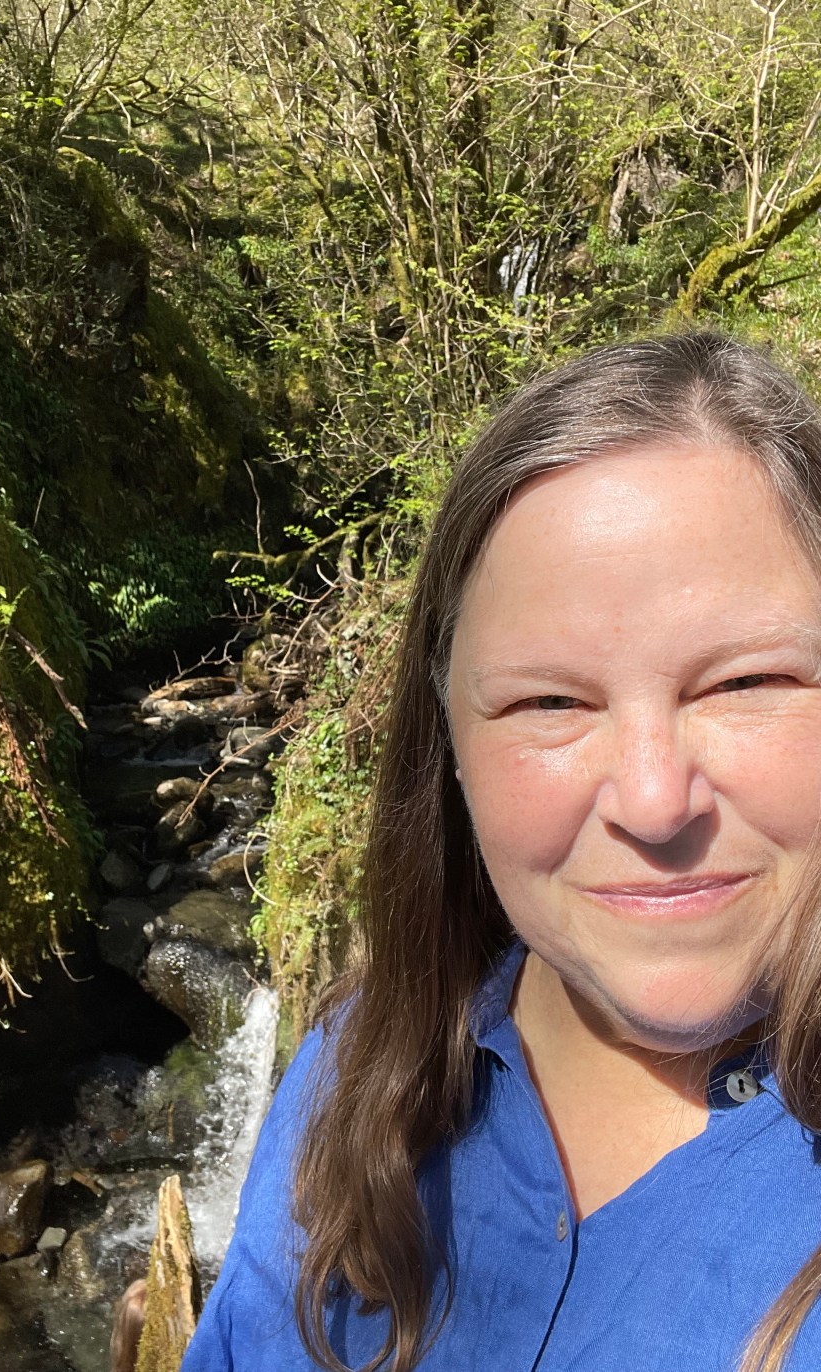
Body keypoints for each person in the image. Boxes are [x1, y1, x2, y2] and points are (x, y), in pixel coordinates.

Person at [180, 332, 821, 1372]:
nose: (654, 801)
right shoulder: (357, 1062)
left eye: (747, 682)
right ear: (449, 745)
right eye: (549, 702)